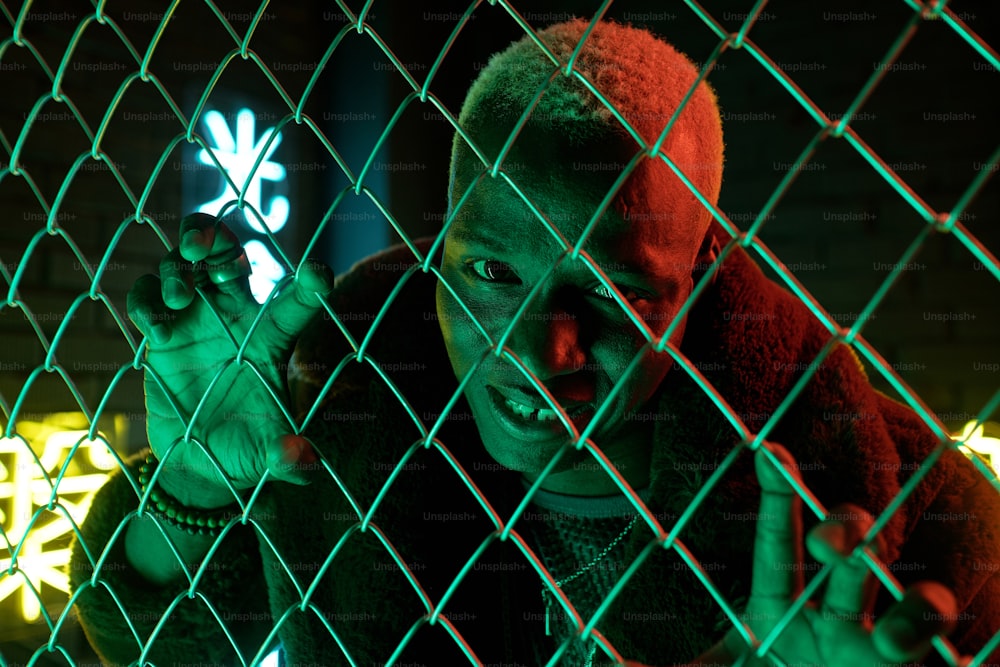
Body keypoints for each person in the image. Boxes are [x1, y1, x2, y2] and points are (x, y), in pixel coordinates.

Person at [69, 19, 998, 667]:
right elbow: (159, 630)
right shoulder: (347, 421)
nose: (536, 350)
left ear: (704, 268)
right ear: (444, 239)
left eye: (609, 291)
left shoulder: (919, 517)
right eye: (490, 274)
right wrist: (190, 485)